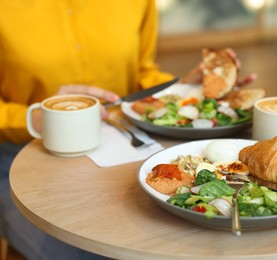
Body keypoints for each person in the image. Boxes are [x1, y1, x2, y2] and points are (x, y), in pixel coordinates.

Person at [0, 1, 256, 259]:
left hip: (123, 147)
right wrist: (34, 118)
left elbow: (143, 73)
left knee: (177, 242)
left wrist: (184, 90)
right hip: (18, 161)